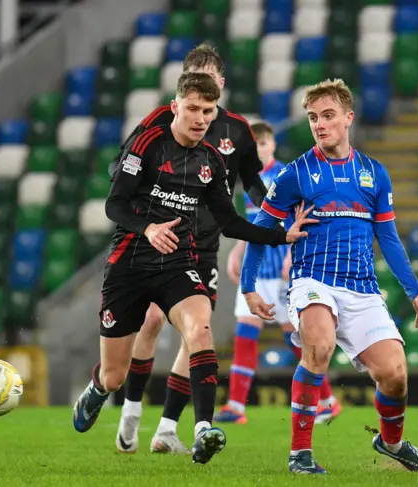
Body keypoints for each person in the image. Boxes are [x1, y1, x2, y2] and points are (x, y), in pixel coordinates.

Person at [72, 72, 315, 467]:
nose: (200, 118)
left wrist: (281, 236)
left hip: (178, 265)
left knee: (199, 327)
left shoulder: (212, 161)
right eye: (193, 110)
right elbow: (114, 204)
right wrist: (148, 228)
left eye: (208, 111)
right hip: (130, 264)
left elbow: (229, 220)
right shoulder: (147, 144)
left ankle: (203, 428)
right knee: (115, 374)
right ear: (175, 107)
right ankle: (99, 389)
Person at [239, 79, 418, 474]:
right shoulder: (296, 174)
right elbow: (259, 229)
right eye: (313, 118)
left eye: (327, 116)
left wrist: (415, 291)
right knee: (320, 344)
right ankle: (300, 454)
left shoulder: (374, 174)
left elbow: (389, 238)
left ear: (348, 118)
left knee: (395, 375)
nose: (319, 125)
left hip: (362, 288)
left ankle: (391, 442)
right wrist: (248, 286)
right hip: (313, 280)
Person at [111, 44, 271, 455]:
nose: (203, 85)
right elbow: (121, 169)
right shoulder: (159, 123)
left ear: (221, 83)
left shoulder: (237, 130)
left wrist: (272, 211)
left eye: (210, 76)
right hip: (162, 239)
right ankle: (130, 411)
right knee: (149, 322)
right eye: (194, 73)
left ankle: (168, 428)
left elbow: (252, 180)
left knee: (195, 335)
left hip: (207, 243)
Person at [215, 121, 341, 425]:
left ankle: (327, 400)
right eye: (252, 145)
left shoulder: (287, 175)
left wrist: (291, 255)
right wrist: (237, 250)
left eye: (263, 144)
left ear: (271, 145)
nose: (258, 149)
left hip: (284, 272)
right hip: (257, 272)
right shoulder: (246, 180)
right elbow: (253, 223)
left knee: (296, 339)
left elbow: (299, 218)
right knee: (245, 335)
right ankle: (236, 406)